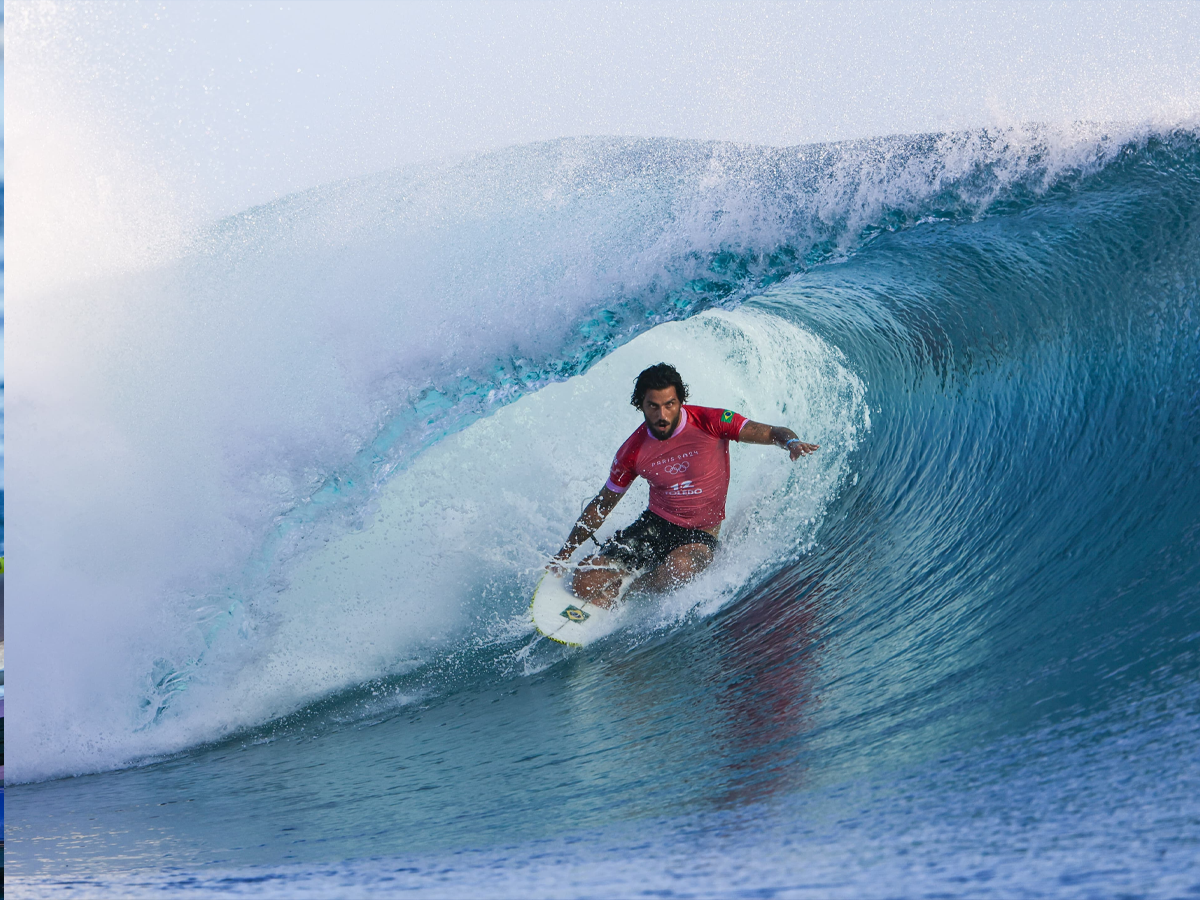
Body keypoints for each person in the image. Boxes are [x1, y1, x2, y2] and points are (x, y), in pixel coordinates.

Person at [552, 363, 819, 605]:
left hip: (700, 535)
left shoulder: (711, 421)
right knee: (584, 580)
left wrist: (791, 443)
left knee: (678, 569)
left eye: (669, 404)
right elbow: (601, 506)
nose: (662, 415)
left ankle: (630, 591)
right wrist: (564, 554)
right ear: (640, 405)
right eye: (653, 406)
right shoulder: (632, 451)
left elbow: (771, 432)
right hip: (655, 525)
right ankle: (617, 575)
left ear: (681, 401)